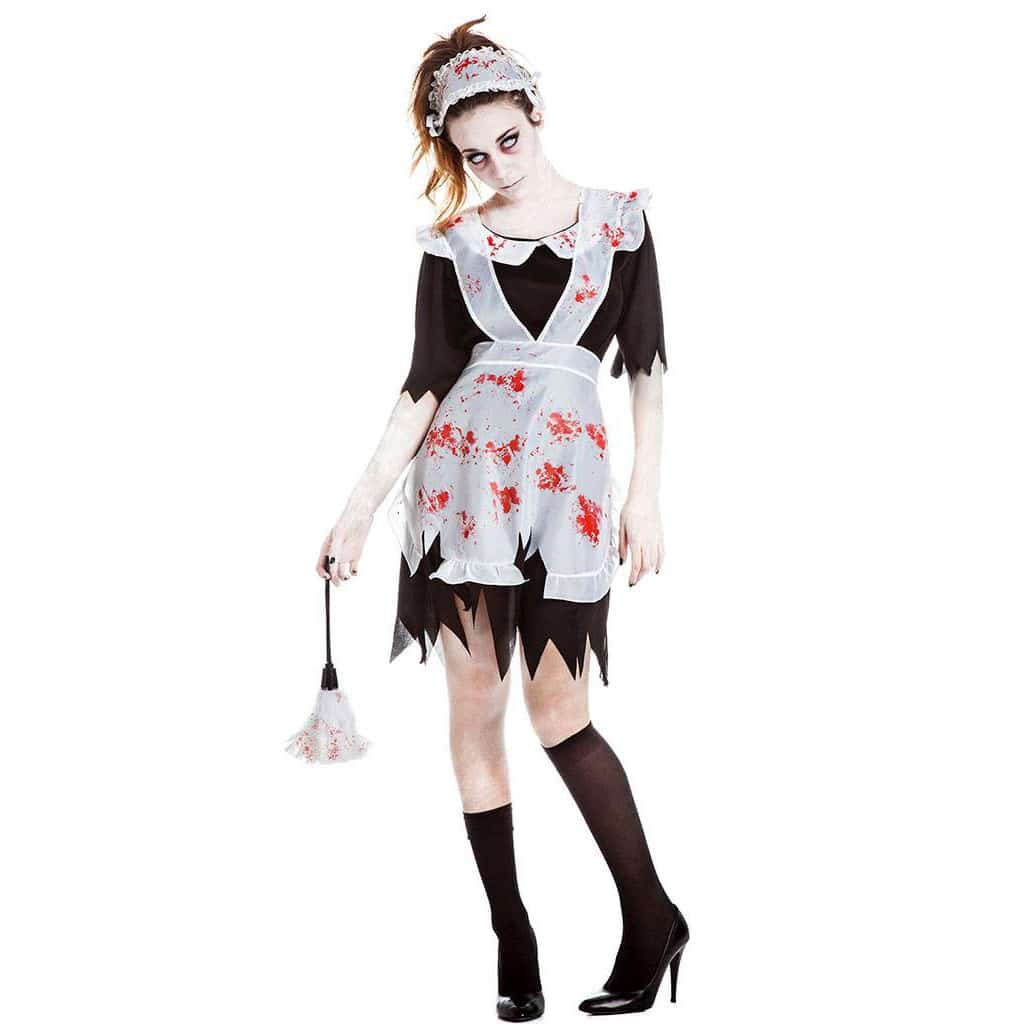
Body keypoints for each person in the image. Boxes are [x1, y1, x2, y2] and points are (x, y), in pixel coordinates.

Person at [316, 16, 688, 1020]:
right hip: (461, 494)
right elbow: (423, 386)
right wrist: (357, 513)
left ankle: (652, 916)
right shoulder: (455, 245)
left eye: (507, 141)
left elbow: (647, 368)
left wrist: (645, 492)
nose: (495, 166)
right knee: (475, 707)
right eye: (473, 156)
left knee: (559, 711)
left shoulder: (619, 223)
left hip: (567, 494)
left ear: (537, 114)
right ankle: (511, 935)